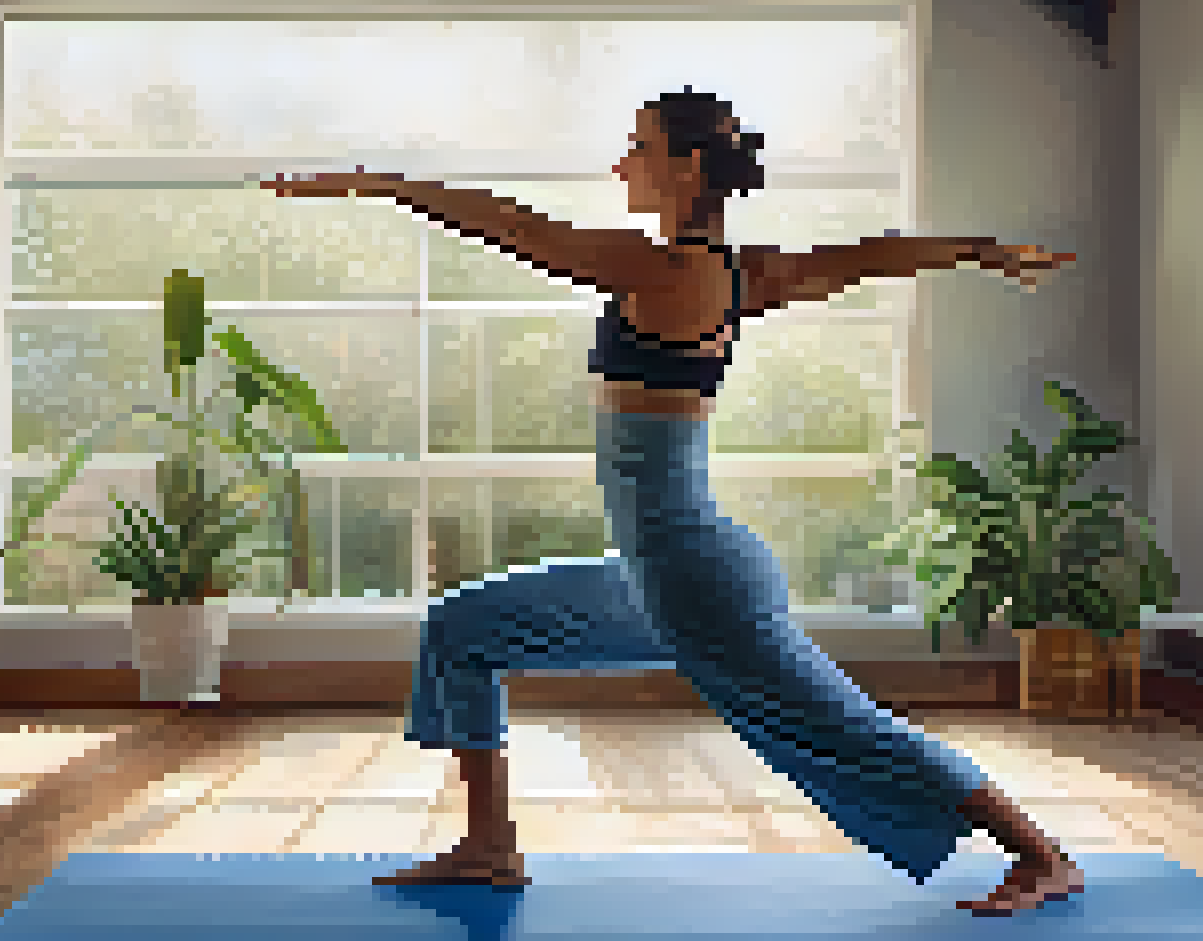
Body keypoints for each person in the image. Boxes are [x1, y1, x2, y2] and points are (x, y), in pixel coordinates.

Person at [262, 87, 1083, 915]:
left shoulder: (656, 268)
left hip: (696, 577)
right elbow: (862, 257)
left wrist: (384, 185)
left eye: (639, 148)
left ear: (688, 168)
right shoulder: (735, 275)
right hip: (667, 568)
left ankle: (1042, 857)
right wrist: (977, 248)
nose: (622, 164)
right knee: (463, 629)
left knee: (844, 729)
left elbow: (513, 226)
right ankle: (487, 847)